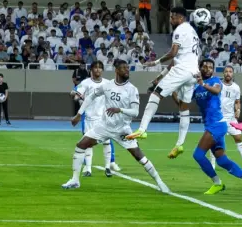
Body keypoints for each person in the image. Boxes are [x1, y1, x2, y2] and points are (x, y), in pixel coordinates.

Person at [63, 60, 169, 192]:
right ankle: (75, 180)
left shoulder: (132, 89)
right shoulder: (107, 86)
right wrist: (79, 114)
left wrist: (120, 110)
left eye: (127, 68)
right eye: (123, 68)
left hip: (122, 130)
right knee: (81, 145)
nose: (126, 70)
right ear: (116, 70)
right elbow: (90, 97)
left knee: (139, 156)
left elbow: (135, 112)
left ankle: (160, 182)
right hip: (104, 126)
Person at [127, 7, 199, 159]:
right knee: (184, 107)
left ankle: (142, 129)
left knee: (156, 94)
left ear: (179, 17)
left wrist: (156, 62)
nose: (171, 20)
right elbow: (177, 59)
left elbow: (173, 53)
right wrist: (160, 76)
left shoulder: (179, 30)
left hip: (182, 70)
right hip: (193, 73)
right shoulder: (193, 32)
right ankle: (179, 144)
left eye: (172, 17)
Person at [191, 59, 242, 196]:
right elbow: (184, 101)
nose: (208, 68)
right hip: (211, 125)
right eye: (205, 66)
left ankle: (217, 183)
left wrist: (203, 84)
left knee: (198, 155)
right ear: (200, 68)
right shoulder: (196, 88)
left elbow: (216, 91)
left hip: (217, 125)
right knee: (222, 160)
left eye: (211, 67)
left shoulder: (216, 81)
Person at [71, 62, 122, 177]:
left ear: (102, 70)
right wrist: (75, 96)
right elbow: (76, 94)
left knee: (107, 142)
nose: (98, 70)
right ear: (91, 70)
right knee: (88, 144)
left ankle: (108, 168)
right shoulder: (86, 83)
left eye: (100, 68)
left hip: (104, 118)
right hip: (89, 118)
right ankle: (88, 169)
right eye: (95, 68)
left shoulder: (108, 83)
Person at [218, 66, 242, 170]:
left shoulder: (236, 87)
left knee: (239, 138)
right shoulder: (218, 85)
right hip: (219, 118)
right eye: (226, 71)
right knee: (216, 141)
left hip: (231, 118)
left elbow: (237, 102)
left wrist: (238, 110)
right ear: (223, 73)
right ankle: (212, 164)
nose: (228, 73)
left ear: (233, 74)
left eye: (230, 72)